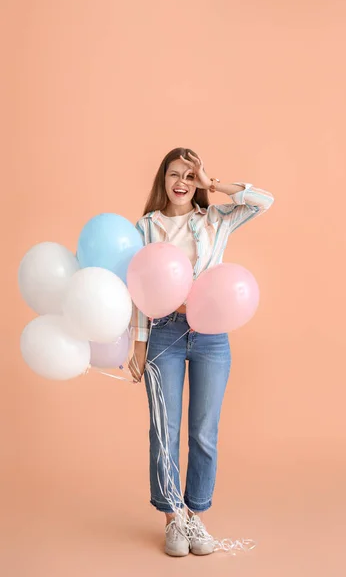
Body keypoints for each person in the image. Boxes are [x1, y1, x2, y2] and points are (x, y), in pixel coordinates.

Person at [128, 147, 274, 556]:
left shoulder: (213, 218)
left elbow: (264, 202)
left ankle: (196, 517)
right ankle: (172, 517)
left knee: (204, 433)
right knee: (164, 430)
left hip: (211, 337)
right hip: (162, 333)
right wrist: (138, 344)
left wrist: (214, 184)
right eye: (175, 174)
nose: (181, 182)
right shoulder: (146, 227)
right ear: (163, 179)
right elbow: (138, 289)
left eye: (189, 177)